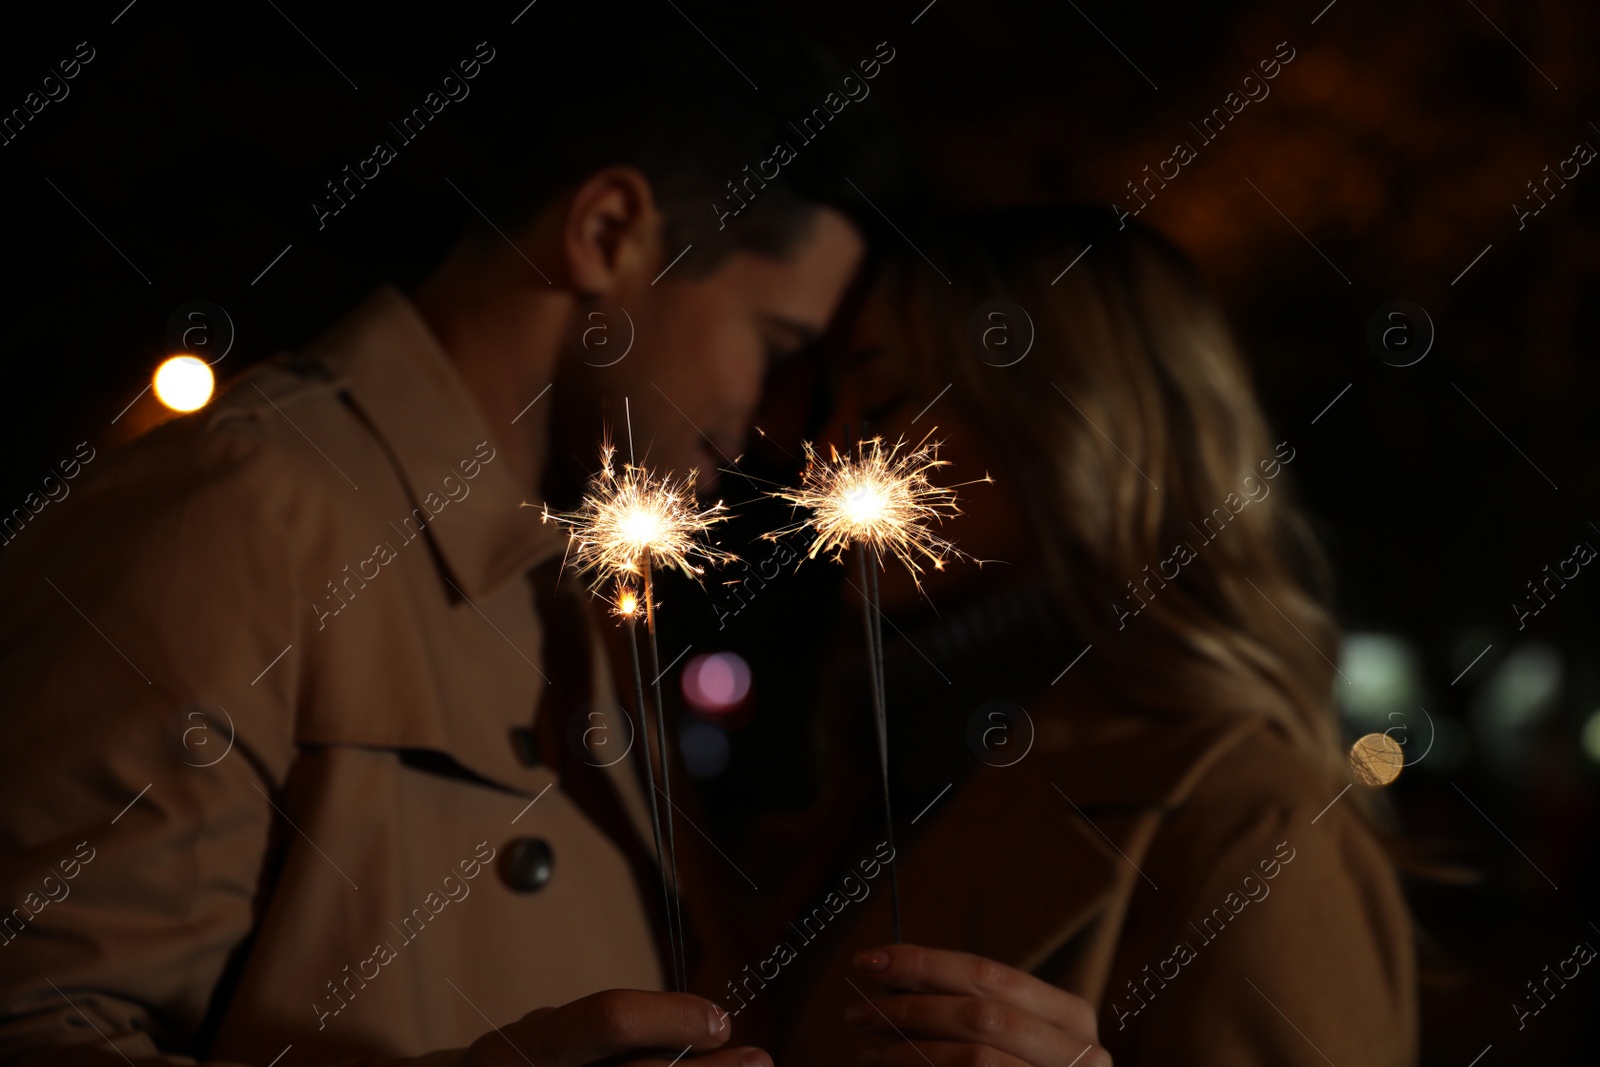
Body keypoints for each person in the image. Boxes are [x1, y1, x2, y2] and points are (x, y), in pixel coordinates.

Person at [0, 7, 900, 1066]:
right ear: (608, 231)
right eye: (773, 343)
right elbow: (36, 1016)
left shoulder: (576, 588)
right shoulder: (236, 512)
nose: (772, 423)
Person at [771, 206, 1417, 1065]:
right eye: (829, 402)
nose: (824, 456)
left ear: (1065, 419)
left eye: (882, 399)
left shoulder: (1249, 823)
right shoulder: (874, 784)